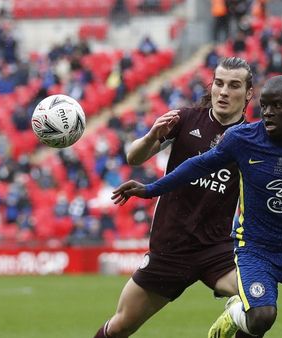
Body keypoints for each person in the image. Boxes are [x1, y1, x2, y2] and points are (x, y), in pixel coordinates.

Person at [111, 75, 282, 338]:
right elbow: (197, 165)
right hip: (255, 247)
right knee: (262, 316)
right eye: (264, 106)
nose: (268, 113)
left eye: (277, 106)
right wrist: (151, 190)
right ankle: (234, 315)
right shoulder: (242, 138)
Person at [93, 56, 254, 338]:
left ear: (249, 93)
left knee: (259, 303)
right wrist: (151, 136)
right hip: (170, 248)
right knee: (119, 326)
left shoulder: (254, 137)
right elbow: (133, 157)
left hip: (216, 249)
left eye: (234, 85)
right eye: (219, 83)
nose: (224, 91)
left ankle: (229, 323)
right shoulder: (185, 119)